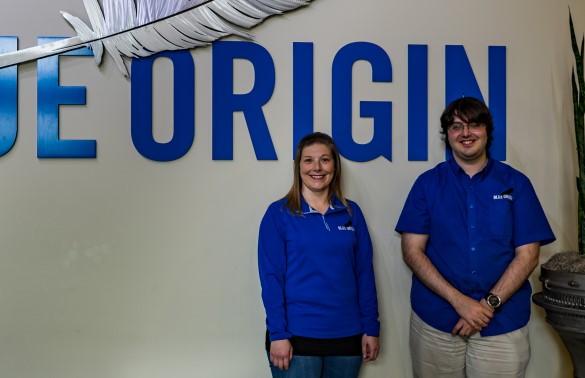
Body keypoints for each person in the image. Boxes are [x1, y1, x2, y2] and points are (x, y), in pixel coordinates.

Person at [395, 97, 555, 378]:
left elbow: (528, 254)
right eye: (457, 126)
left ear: (487, 131)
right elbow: (412, 251)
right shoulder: (427, 185)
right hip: (437, 322)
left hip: (502, 324)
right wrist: (460, 302)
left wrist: (486, 305)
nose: (466, 133)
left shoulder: (516, 183)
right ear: (448, 135)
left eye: (474, 125)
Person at [258, 132, 380, 378]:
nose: (317, 167)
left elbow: (364, 274)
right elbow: (271, 279)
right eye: (308, 160)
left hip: (347, 336)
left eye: (324, 160)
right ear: (298, 166)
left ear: (334, 165)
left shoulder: (351, 212)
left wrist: (371, 327)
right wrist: (279, 334)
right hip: (297, 338)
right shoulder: (279, 214)